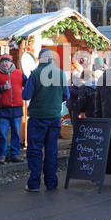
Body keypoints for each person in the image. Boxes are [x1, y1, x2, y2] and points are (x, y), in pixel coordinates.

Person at [22, 48, 70, 191]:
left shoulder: (35, 74)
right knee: (51, 149)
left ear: (40, 59)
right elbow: (66, 96)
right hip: (54, 118)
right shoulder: (61, 74)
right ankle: (51, 182)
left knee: (35, 150)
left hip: (38, 118)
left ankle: (34, 184)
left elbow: (26, 95)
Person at [0, 54, 28, 164]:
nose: (5, 64)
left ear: (11, 63)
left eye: (7, 62)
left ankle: (14, 155)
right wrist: (1, 88)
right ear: (0, 64)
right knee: (2, 133)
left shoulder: (20, 74)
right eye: (2, 62)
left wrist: (24, 95)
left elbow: (28, 85)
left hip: (17, 108)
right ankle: (2, 155)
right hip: (3, 109)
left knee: (16, 133)